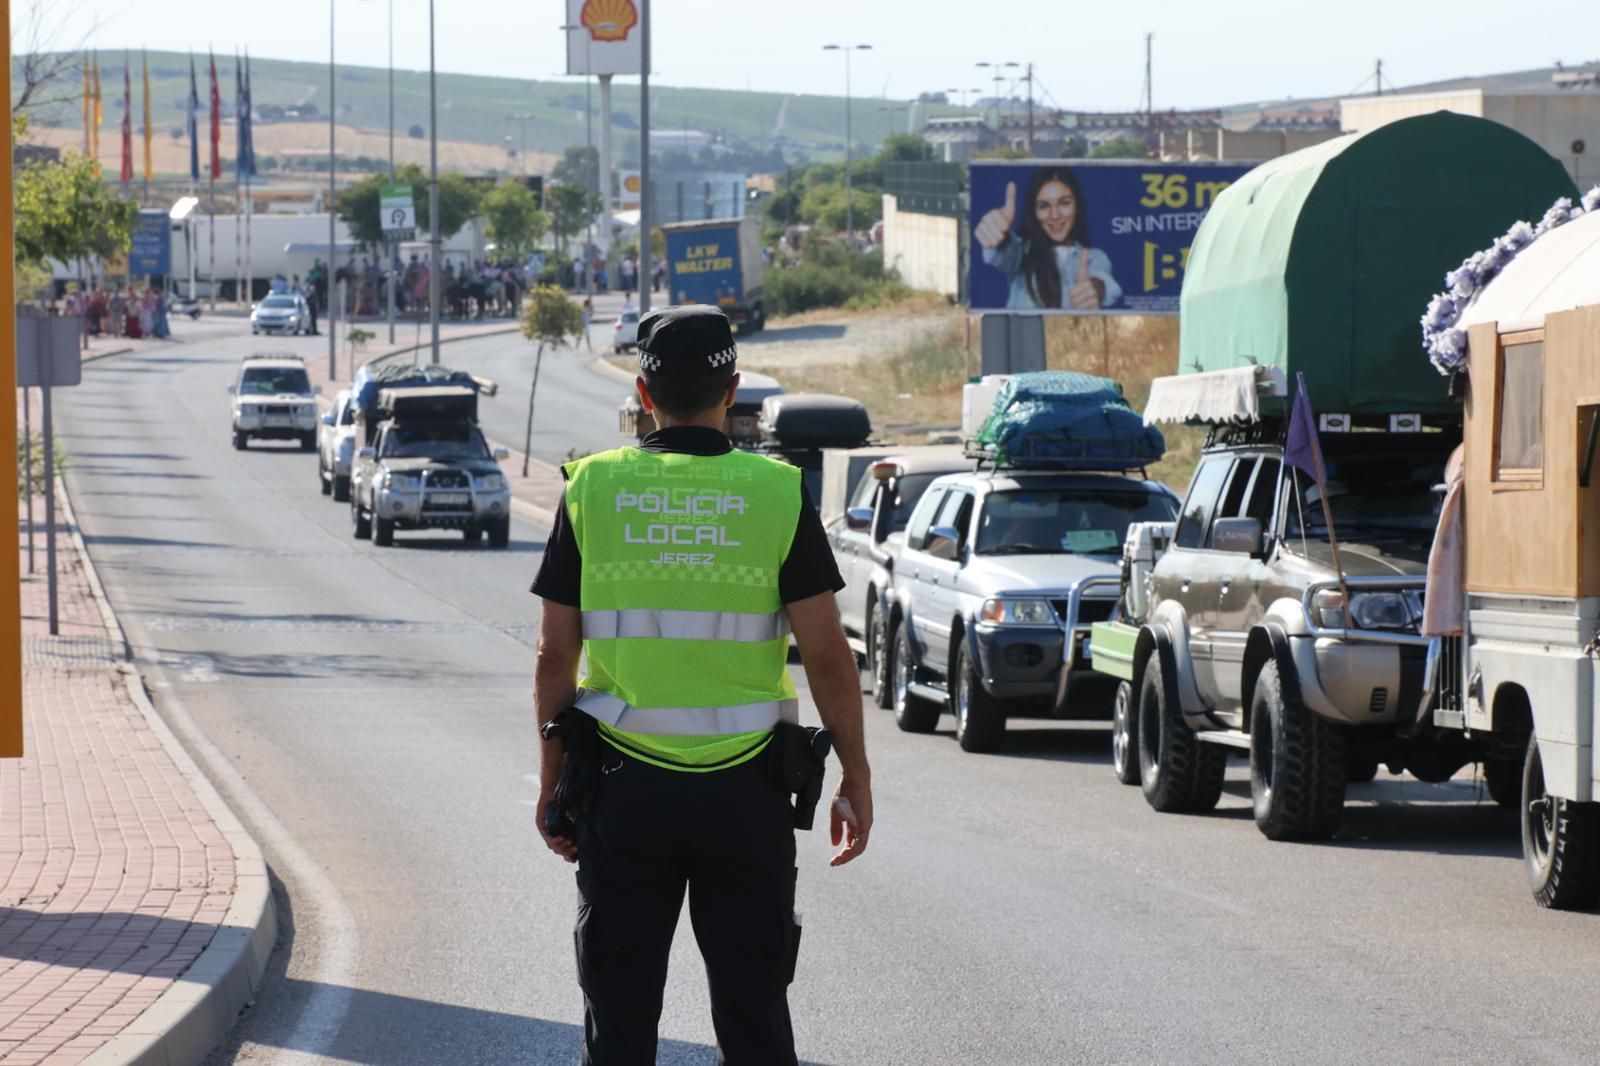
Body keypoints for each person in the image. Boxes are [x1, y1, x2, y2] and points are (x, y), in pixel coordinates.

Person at [531, 305, 872, 1066]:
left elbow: (556, 656)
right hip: (745, 800)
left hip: (623, 796)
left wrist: (555, 782)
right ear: (734, 389)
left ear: (643, 394)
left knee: (618, 1029)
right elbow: (828, 656)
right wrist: (856, 773)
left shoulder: (591, 488)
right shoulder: (778, 494)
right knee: (754, 1024)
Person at [974, 166, 1121, 310]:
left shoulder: (1094, 257)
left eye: (1064, 203)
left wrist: (1094, 289)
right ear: (1034, 212)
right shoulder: (1022, 253)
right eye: (1044, 206)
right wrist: (1000, 235)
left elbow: (1101, 280)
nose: (1055, 215)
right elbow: (1005, 253)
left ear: (1077, 206)